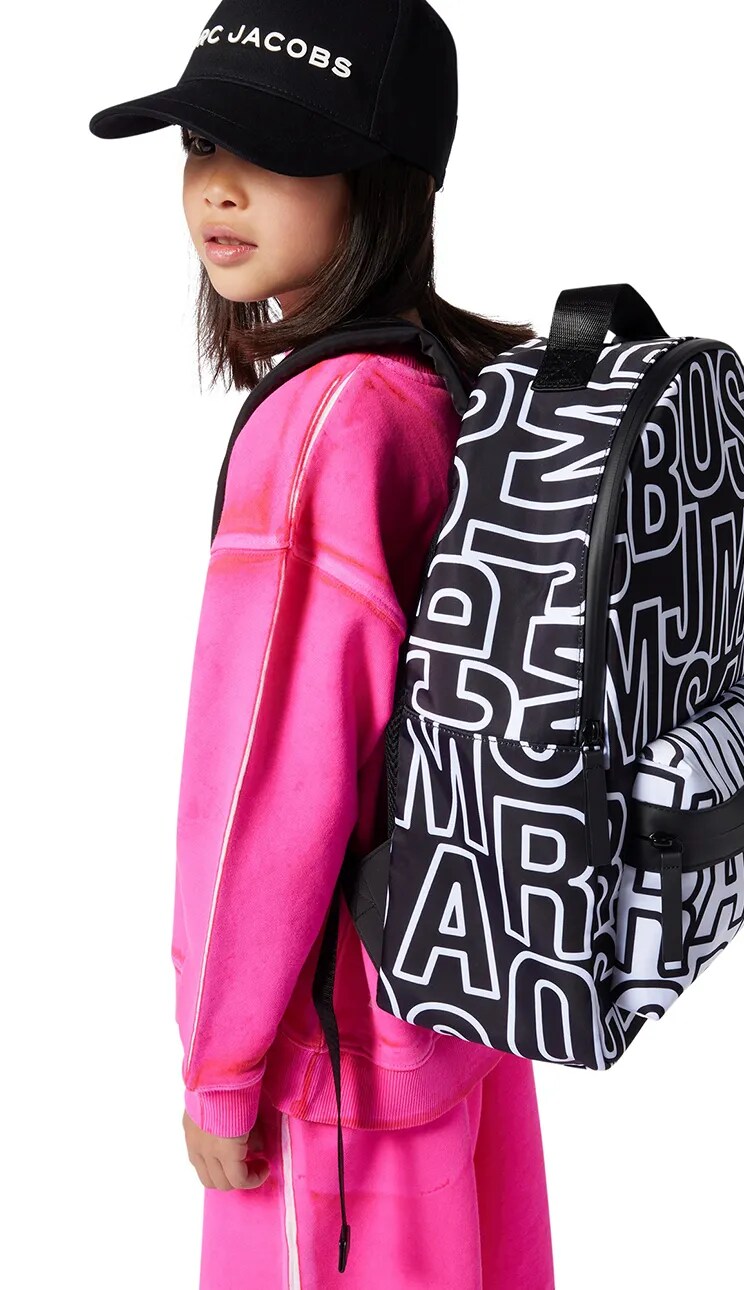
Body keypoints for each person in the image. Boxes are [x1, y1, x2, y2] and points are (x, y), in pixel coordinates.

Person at [89, 2, 556, 1285]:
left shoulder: (321, 425)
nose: (217, 188)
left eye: (278, 151)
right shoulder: (446, 383)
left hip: (329, 1067)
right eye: (201, 143)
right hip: (460, 1002)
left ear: (384, 181)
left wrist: (222, 1065)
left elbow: (265, 783)